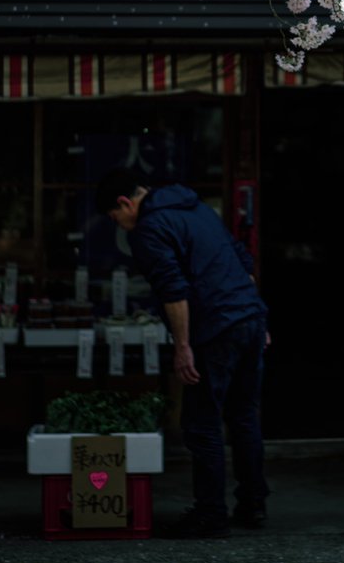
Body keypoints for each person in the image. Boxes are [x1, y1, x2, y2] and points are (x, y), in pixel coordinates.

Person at [95, 167, 269, 538]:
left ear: (126, 203)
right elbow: (242, 261)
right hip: (250, 318)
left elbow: (174, 291)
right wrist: (255, 318)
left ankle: (210, 513)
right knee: (244, 417)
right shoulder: (197, 208)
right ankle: (253, 504)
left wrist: (183, 347)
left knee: (201, 424)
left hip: (216, 327)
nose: (121, 226)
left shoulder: (149, 229)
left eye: (116, 218)